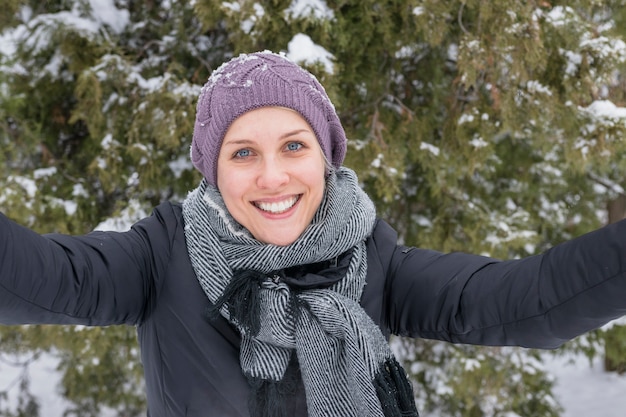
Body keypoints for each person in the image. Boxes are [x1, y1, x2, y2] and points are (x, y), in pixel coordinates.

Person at [1, 50, 626, 417]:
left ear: (325, 157)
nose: (272, 177)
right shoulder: (161, 256)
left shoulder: (374, 259)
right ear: (215, 172)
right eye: (243, 153)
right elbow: (47, 276)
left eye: (293, 146)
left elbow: (529, 301)